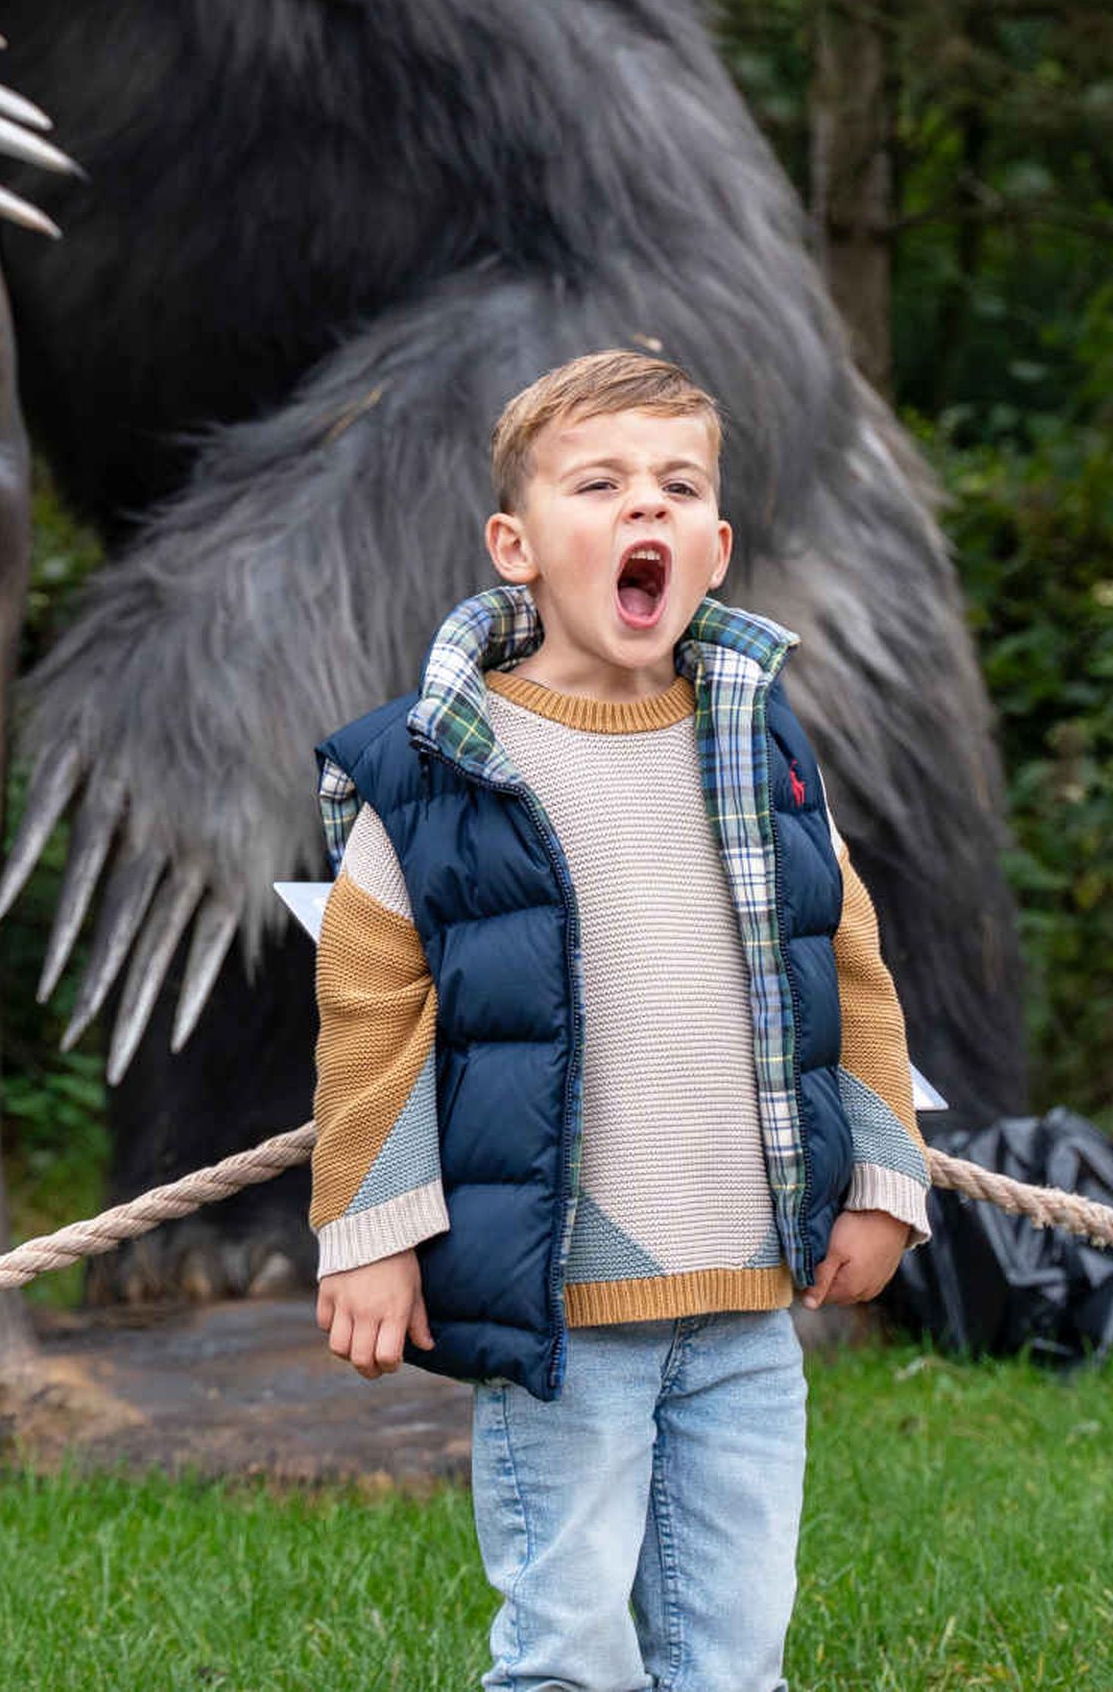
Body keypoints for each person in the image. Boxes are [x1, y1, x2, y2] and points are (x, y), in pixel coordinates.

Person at [306, 348, 934, 1692]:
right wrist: (370, 1233)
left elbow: (853, 976)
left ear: (713, 548)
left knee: (738, 1643)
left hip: (751, 1297)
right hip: (564, 1303)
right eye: (600, 485)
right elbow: (370, 1017)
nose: (643, 510)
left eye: (676, 487)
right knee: (571, 1643)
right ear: (516, 545)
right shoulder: (429, 773)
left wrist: (883, 1184)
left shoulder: (765, 754)